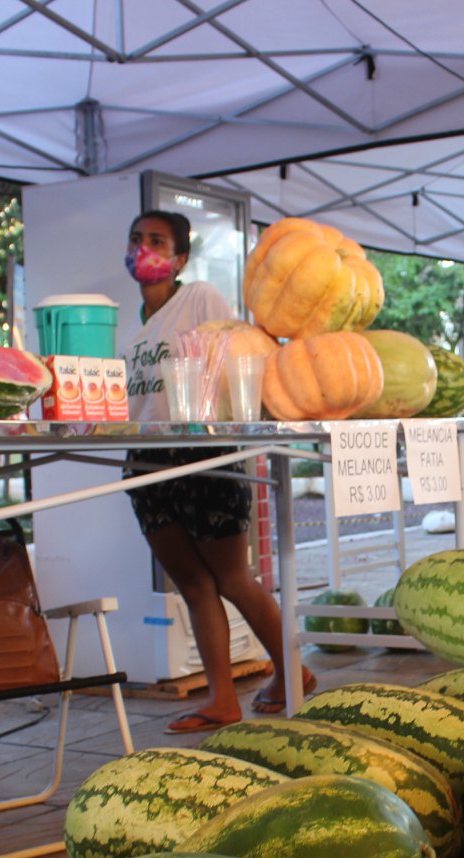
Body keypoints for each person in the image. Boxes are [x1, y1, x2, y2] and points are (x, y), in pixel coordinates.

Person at [120, 209, 308, 734]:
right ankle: (222, 700)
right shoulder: (128, 327)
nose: (143, 249)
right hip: (145, 458)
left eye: (156, 241)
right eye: (136, 239)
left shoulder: (199, 297)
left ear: (179, 257)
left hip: (203, 452)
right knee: (192, 584)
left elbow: (235, 357)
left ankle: (295, 671)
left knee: (230, 577)